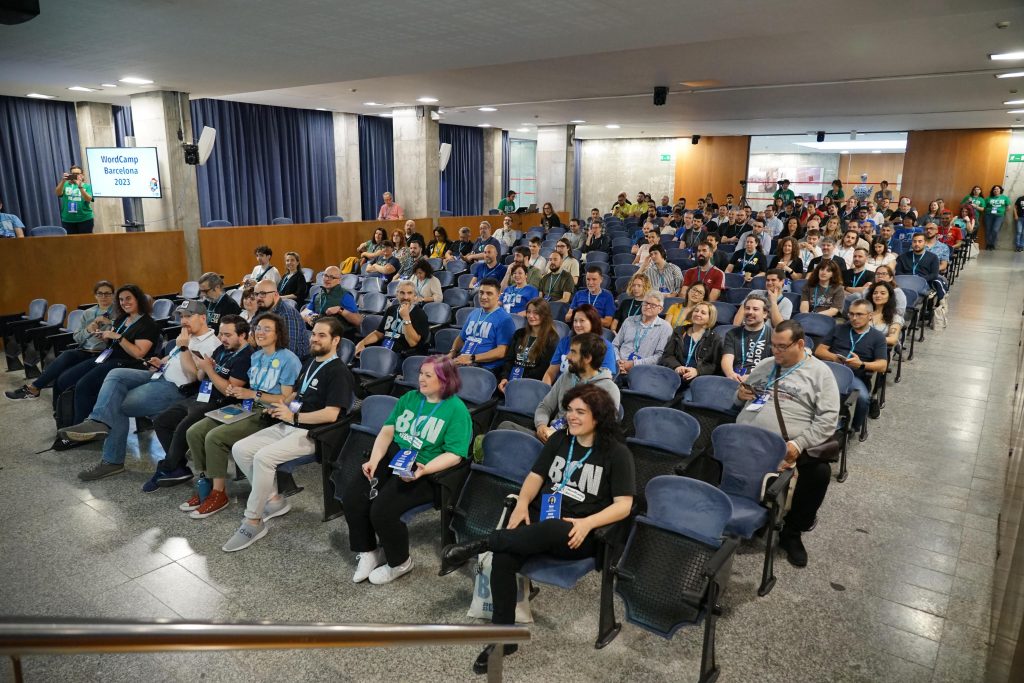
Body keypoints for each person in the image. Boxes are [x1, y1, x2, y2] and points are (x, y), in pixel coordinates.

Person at [446, 381, 633, 674]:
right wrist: (522, 503)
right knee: (505, 557)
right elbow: (535, 476)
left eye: (580, 412)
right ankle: (503, 637)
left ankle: (482, 543)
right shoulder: (560, 439)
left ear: (598, 417)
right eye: (569, 410)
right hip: (543, 521)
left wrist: (588, 523)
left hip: (579, 533)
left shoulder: (615, 453)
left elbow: (624, 504)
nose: (571, 416)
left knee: (552, 528)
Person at [224, 317, 356, 552]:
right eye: (313, 334)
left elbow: (331, 414)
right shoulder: (310, 362)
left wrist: (294, 417)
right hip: (290, 423)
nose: (314, 338)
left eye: (322, 335)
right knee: (240, 449)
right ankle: (273, 499)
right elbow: (296, 393)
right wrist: (282, 406)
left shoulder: (339, 372)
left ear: (336, 340)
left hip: (315, 433)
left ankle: (253, 521)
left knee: (263, 457)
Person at [344, 355, 473, 584]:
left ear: (445, 379)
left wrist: (425, 470)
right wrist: (374, 460)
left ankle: (399, 562)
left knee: (382, 510)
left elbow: (455, 455)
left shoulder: (456, 410)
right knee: (354, 496)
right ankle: (370, 551)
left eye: (428, 375)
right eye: (420, 373)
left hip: (426, 468)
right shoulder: (410, 398)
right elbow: (387, 431)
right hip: (397, 456)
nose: (421, 379)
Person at [65, 300, 223, 481]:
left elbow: (195, 377)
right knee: (115, 373)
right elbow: (173, 358)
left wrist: (184, 347)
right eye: (181, 316)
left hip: (175, 388)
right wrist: (161, 361)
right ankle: (97, 421)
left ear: (203, 317)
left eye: (188, 316)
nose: (183, 320)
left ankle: (112, 461)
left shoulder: (212, 345)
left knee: (117, 406)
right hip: (159, 375)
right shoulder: (188, 336)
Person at [735, 319, 840, 567]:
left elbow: (828, 420)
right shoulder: (766, 365)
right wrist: (740, 395)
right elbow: (742, 394)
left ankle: (792, 533)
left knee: (818, 473)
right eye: (773, 346)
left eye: (782, 346)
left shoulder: (820, 373)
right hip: (747, 438)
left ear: (800, 344)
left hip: (787, 444)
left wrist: (799, 443)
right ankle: (749, 515)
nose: (776, 351)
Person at [179, 312, 303, 519]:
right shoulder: (256, 356)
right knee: (195, 431)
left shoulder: (288, 359)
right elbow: (245, 389)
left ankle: (219, 493)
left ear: (278, 333)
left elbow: (287, 397)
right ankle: (206, 485)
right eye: (258, 328)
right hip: (246, 406)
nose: (260, 332)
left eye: (267, 329)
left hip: (268, 413)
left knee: (214, 437)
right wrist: (237, 392)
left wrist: (252, 393)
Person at [147, 315, 254, 491]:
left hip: (223, 402)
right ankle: (178, 466)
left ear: (242, 335)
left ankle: (167, 467)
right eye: (221, 333)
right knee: (161, 421)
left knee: (184, 428)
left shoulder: (246, 357)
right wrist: (203, 368)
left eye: (228, 335)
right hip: (201, 395)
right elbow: (199, 376)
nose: (222, 339)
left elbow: (230, 389)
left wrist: (209, 370)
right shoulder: (222, 349)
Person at [5, 281, 116, 401]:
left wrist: (110, 324)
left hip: (105, 353)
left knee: (64, 378)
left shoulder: (118, 312)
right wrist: (88, 330)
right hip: (86, 349)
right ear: (95, 295)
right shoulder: (88, 313)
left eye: (107, 294)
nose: (103, 297)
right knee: (67, 355)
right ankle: (35, 389)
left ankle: (35, 389)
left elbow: (125, 329)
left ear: (113, 295)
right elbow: (77, 337)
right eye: (100, 294)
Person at [516, 333, 621, 441]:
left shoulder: (609, 389)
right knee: (506, 426)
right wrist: (541, 426)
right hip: (550, 435)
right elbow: (545, 406)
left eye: (573, 352)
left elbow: (604, 430)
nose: (567, 357)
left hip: (575, 444)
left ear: (587, 358)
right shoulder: (566, 376)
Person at [814, 299, 888, 429]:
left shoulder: (878, 337)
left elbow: (882, 365)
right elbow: (819, 350)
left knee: (863, 399)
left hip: (855, 377)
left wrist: (861, 365)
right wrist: (834, 358)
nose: (854, 318)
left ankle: (852, 429)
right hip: (831, 371)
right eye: (851, 314)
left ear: (870, 316)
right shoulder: (839, 328)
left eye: (859, 314)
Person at [448, 279, 516, 372]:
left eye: (489, 293)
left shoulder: (505, 319)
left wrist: (472, 358)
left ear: (498, 295)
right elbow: (461, 337)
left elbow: (502, 351)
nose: (483, 297)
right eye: (481, 292)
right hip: (463, 360)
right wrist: (452, 352)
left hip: (485, 367)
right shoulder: (474, 313)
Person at [543, 304, 618, 384]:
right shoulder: (565, 342)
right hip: (561, 389)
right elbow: (550, 373)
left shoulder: (605, 346)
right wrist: (545, 390)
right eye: (575, 321)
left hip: (589, 392)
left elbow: (605, 379)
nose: (577, 325)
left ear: (593, 322)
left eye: (582, 321)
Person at [497, 298, 560, 391]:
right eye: (528, 312)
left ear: (544, 315)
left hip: (531, 385)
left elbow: (543, 369)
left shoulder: (552, 338)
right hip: (511, 381)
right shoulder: (519, 334)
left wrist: (518, 381)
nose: (531, 316)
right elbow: (509, 360)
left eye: (536, 312)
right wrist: (504, 378)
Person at [356, 280, 430, 358]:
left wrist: (406, 317)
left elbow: (413, 343)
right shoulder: (391, 309)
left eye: (409, 293)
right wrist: (362, 343)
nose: (405, 297)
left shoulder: (420, 314)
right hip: (383, 350)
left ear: (415, 297)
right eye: (402, 293)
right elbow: (379, 333)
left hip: (402, 355)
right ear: (397, 295)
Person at [659, 302, 722, 387]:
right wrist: (676, 367)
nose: (698, 314)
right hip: (673, 375)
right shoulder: (679, 331)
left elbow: (714, 365)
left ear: (710, 318)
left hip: (697, 381)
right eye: (696, 311)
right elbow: (667, 355)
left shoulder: (714, 338)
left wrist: (697, 371)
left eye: (703, 313)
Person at [612, 291, 672, 376]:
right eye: (646, 303)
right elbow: (615, 345)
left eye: (653, 305)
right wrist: (618, 361)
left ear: (660, 309)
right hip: (618, 366)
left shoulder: (665, 328)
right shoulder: (629, 320)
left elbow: (660, 356)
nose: (647, 306)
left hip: (644, 371)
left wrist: (633, 364)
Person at [253, 279, 310, 358]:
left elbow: (288, 353)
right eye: (256, 294)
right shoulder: (262, 310)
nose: (258, 298)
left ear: (276, 295)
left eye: (263, 294)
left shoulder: (287, 314)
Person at [721, 291, 772, 381]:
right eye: (747, 308)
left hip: (762, 381)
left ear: (765, 314)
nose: (749, 312)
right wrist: (731, 374)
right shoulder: (732, 333)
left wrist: (754, 377)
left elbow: (775, 365)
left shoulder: (774, 336)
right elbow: (727, 359)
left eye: (755, 309)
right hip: (735, 379)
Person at [301, 266, 361, 337]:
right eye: (325, 275)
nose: (327, 279)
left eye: (332, 277)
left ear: (339, 280)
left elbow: (358, 321)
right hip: (318, 333)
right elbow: (303, 313)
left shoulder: (345, 296)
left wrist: (340, 310)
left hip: (337, 335)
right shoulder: (317, 295)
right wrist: (309, 317)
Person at [895, 233, 942, 300]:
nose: (917, 244)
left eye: (920, 241)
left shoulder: (933, 257)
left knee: (913, 294)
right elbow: (898, 272)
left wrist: (919, 279)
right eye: (914, 241)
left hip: (923, 282)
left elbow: (934, 274)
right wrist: (909, 279)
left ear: (925, 243)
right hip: (905, 281)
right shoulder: (902, 257)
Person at [55, 165, 94, 234]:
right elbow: (58, 193)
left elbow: (88, 199)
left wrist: (80, 187)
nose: (75, 176)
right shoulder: (65, 184)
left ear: (82, 175)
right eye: (73, 174)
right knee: (71, 243)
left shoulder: (87, 186)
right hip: (68, 220)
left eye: (77, 174)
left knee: (86, 242)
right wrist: (63, 181)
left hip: (85, 219)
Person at [866, 281, 903, 347]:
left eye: (882, 293)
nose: (877, 295)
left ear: (889, 297)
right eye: (875, 293)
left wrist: (868, 340)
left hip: (879, 350)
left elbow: (892, 339)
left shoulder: (895, 317)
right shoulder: (864, 312)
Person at [983, 185, 1009, 250]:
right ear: (993, 191)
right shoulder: (988, 198)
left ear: (1000, 190)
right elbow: (984, 206)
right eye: (994, 189)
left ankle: (992, 244)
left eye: (997, 189)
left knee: (995, 230)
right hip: (989, 215)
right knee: (988, 229)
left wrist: (1003, 211)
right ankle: (988, 244)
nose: (996, 190)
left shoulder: (1005, 198)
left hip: (999, 216)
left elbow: (1008, 206)